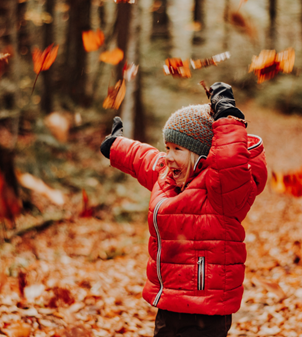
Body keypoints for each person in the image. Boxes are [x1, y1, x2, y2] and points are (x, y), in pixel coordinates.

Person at [100, 82, 267, 336]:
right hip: (169, 303)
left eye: (178, 149)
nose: (168, 156)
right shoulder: (168, 175)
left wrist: (227, 116)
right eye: (168, 147)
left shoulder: (222, 189)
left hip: (205, 310)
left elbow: (229, 158)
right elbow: (143, 159)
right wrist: (116, 145)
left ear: (203, 156)